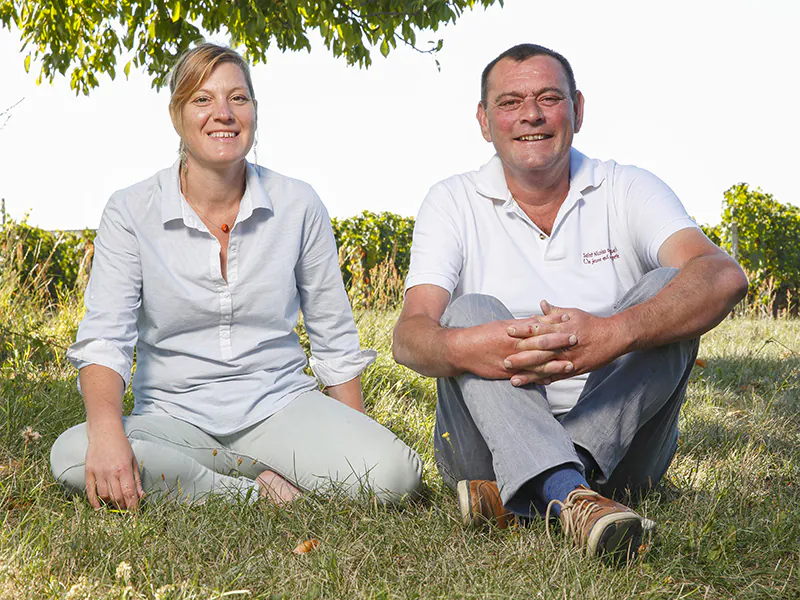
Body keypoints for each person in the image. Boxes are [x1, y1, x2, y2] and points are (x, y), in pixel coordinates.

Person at [392, 43, 747, 560]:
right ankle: (571, 494)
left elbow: (722, 275)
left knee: (672, 289)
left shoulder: (626, 187)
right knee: (468, 313)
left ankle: (529, 493)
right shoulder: (451, 200)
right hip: (482, 449)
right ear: (484, 120)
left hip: (625, 455)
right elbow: (409, 335)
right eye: (510, 102)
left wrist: (614, 333)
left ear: (577, 110)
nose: (531, 115)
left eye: (548, 98)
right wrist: (468, 345)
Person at [50, 43, 422, 510]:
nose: (222, 113)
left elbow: (334, 338)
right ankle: (248, 491)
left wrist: (354, 448)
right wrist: (106, 435)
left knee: (395, 475)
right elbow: (106, 339)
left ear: (254, 112)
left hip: (279, 407)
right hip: (171, 417)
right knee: (70, 454)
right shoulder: (130, 210)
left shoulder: (298, 204)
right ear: (176, 115)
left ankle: (221, 470)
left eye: (238, 99)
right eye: (202, 100)